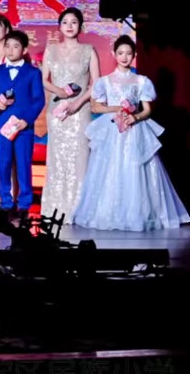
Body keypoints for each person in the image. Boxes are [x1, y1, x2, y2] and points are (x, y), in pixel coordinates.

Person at [72, 36, 189, 231]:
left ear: (134, 55)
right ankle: (110, 213)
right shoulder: (104, 82)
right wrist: (118, 108)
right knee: (110, 169)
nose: (124, 57)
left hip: (135, 129)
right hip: (112, 129)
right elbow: (96, 107)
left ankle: (139, 214)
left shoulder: (141, 81)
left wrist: (135, 117)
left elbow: (147, 110)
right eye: (120, 53)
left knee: (137, 169)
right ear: (114, 54)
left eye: (128, 53)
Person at [40, 7, 101, 221]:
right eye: (65, 22)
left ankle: (80, 209)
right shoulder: (51, 50)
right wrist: (60, 92)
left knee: (80, 158)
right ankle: (55, 209)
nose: (69, 26)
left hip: (80, 111)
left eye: (74, 22)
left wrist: (77, 103)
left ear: (80, 26)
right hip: (57, 112)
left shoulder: (88, 50)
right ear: (59, 26)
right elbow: (44, 79)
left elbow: (96, 83)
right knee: (57, 159)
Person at [0, 30, 45, 221]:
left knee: (23, 165)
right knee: (3, 164)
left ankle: (24, 204)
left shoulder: (33, 72)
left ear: (24, 50)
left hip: (23, 127)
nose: (11, 50)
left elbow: (38, 100)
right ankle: (5, 203)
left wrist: (26, 120)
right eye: (8, 46)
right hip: (3, 126)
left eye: (16, 46)